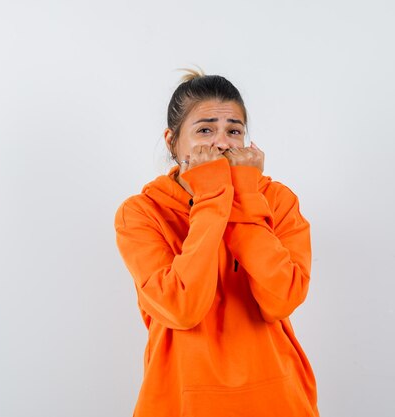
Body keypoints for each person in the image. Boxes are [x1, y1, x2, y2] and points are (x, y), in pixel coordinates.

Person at [114, 67, 319, 417]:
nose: (222, 142)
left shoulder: (278, 200)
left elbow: (281, 299)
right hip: (181, 401)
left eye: (233, 130)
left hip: (278, 399)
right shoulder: (141, 213)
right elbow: (182, 308)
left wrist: (243, 198)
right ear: (171, 141)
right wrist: (212, 198)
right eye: (205, 129)